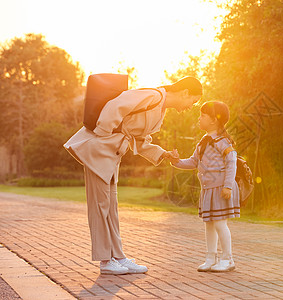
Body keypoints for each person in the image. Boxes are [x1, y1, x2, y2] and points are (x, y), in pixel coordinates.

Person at [64, 76, 202, 275]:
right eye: (193, 101)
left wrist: (163, 154)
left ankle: (118, 257)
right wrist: (104, 134)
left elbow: (139, 140)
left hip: (111, 155)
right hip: (99, 150)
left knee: (111, 207)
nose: (190, 106)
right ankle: (105, 261)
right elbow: (116, 105)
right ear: (185, 93)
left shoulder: (159, 108)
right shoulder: (152, 95)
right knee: (100, 206)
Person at [168, 101, 240, 272]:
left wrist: (228, 186)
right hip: (208, 190)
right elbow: (193, 162)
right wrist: (175, 161)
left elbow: (232, 163)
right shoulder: (203, 142)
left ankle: (227, 259)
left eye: (202, 116)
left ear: (214, 120)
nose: (198, 119)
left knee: (220, 224)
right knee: (209, 223)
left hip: (220, 188)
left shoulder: (222, 141)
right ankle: (210, 257)